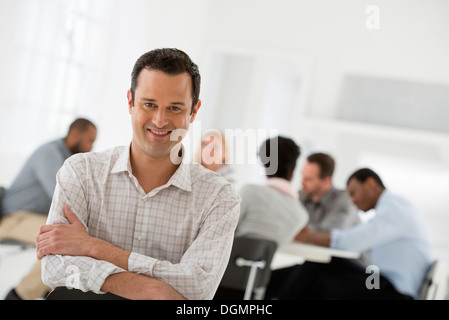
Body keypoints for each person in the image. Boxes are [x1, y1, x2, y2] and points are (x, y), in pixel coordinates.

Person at [36, 48, 241, 300]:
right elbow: (54, 268)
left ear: (194, 111)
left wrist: (94, 247)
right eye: (149, 104)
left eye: (175, 108)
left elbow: (198, 290)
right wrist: (150, 289)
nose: (159, 120)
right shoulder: (81, 172)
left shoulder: (219, 197)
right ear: (130, 101)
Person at [265, 168, 433, 300]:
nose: (352, 201)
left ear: (370, 184)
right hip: (381, 283)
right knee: (310, 268)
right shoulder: (395, 207)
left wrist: (309, 236)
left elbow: (352, 241)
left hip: (393, 293)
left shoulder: (394, 208)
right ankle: (268, 287)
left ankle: (268, 292)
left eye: (353, 193)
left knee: (316, 278)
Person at [1, 117, 97, 300]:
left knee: (68, 239)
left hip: (30, 216)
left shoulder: (68, 159)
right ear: (75, 135)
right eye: (90, 140)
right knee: (59, 240)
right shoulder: (50, 153)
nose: (91, 147)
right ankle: (18, 296)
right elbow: (62, 195)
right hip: (13, 218)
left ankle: (48, 291)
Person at [294, 152, 369, 266]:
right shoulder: (301, 196)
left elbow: (328, 235)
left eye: (309, 179)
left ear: (326, 181)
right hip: (320, 262)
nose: (302, 183)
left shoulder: (345, 199)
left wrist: (302, 232)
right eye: (302, 176)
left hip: (353, 267)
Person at [234, 136, 309, 246]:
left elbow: (222, 230)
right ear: (293, 170)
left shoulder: (249, 192)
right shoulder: (301, 215)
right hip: (262, 263)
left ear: (266, 167)